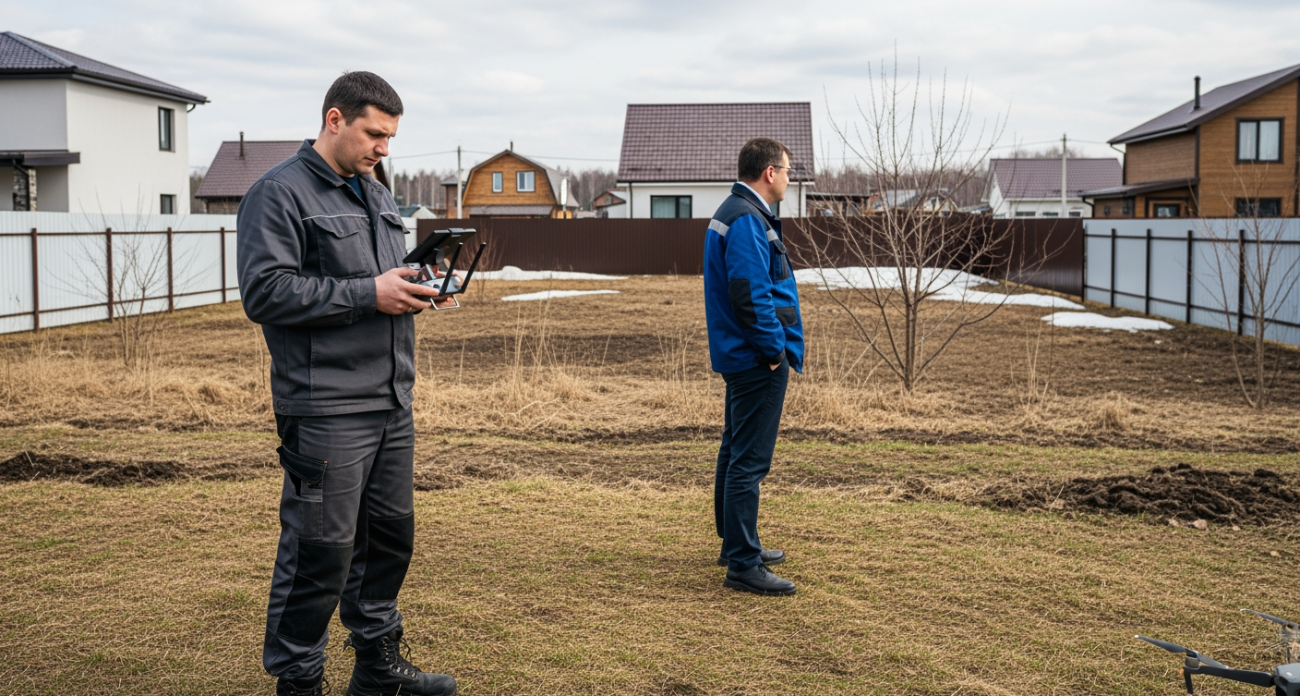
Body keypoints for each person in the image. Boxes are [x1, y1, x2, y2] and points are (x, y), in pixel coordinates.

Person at [237, 71, 457, 696]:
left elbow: (382, 279)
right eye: (374, 134)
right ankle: (300, 681)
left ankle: (377, 668)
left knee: (389, 539)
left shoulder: (377, 193)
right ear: (334, 120)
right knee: (319, 553)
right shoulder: (278, 193)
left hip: (391, 398)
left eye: (391, 138)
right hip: (326, 406)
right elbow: (264, 292)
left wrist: (415, 286)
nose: (383, 148)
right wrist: (370, 294)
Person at [703, 138, 805, 596]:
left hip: (741, 355)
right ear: (769, 172)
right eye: (787, 171)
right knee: (749, 460)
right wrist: (773, 351)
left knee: (734, 450)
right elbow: (750, 294)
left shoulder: (736, 212)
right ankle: (743, 564)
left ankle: (736, 545)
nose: (789, 178)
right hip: (755, 358)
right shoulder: (746, 218)